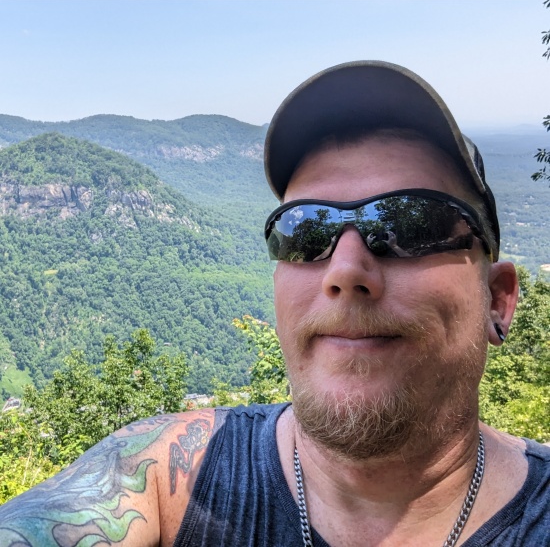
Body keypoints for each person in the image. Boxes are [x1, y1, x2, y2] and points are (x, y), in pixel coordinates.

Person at [0, 61, 548, 547]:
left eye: (412, 225)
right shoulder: (169, 473)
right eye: (304, 231)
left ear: (498, 300)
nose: (344, 271)